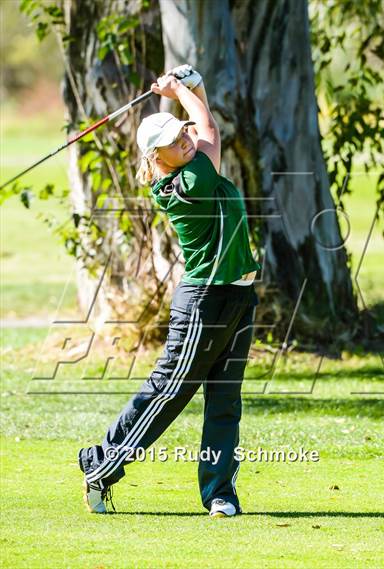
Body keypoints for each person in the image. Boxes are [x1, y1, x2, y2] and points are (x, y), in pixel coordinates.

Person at [78, 65, 261, 518]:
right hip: (204, 302)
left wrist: (190, 87)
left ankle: (220, 495)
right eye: (173, 141)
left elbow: (201, 127)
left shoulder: (193, 167)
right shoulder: (186, 185)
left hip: (237, 298)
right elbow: (209, 129)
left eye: (182, 134)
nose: (184, 139)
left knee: (225, 401)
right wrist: (183, 90)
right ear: (157, 158)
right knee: (167, 394)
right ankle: (102, 467)